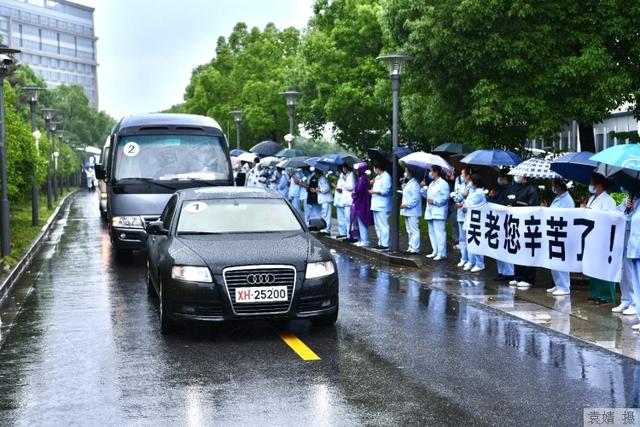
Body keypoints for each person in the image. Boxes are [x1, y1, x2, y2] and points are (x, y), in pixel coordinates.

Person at [580, 173, 617, 304]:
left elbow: (610, 218)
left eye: (592, 183)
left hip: (603, 239)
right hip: (591, 238)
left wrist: (590, 211)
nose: (590, 186)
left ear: (599, 185)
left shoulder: (609, 200)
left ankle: (607, 295)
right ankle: (596, 293)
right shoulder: (591, 199)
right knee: (593, 266)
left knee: (604, 267)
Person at [544, 178, 575, 296]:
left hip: (562, 233)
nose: (552, 187)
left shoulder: (567, 200)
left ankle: (564, 286)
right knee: (554, 260)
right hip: (554, 231)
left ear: (558, 186)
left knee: (561, 260)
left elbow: (565, 216)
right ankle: (558, 284)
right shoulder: (558, 198)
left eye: (553, 184)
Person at [509, 174, 540, 288]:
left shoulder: (532, 189)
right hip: (518, 222)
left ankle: (528, 278)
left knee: (527, 251)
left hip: (528, 224)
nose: (517, 177)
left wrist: (518, 204)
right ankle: (519, 276)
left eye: (520, 175)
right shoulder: (519, 188)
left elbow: (532, 206)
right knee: (518, 249)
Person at [613, 189, 639, 314]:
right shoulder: (626, 200)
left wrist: (632, 210)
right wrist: (626, 209)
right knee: (623, 270)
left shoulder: (637, 201)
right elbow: (617, 214)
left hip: (634, 240)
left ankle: (635, 303)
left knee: (632, 272)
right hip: (624, 239)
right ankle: (626, 300)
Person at [421, 165, 449, 260]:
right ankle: (435, 251)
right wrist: (423, 188)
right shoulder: (432, 183)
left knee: (439, 233)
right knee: (432, 232)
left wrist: (434, 201)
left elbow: (445, 198)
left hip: (439, 211)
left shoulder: (443, 183)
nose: (430, 173)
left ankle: (442, 253)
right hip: (430, 211)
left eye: (431, 171)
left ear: (436, 172)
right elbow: (426, 196)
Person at [492, 171, 516, 281]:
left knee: (507, 245)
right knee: (499, 246)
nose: (499, 179)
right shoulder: (501, 189)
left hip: (507, 220)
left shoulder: (511, 189)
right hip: (499, 220)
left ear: (505, 178)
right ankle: (501, 271)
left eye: (501, 177)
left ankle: (509, 272)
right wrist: (491, 197)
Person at [463, 174, 486, 272]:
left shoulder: (479, 193)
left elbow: (469, 204)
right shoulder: (473, 191)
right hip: (470, 219)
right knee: (470, 242)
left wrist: (464, 205)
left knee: (476, 241)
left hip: (476, 221)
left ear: (475, 182)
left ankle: (480, 263)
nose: (469, 183)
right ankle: (471, 261)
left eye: (470, 181)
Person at [369, 163, 392, 250]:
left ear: (378, 168)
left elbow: (385, 191)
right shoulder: (378, 177)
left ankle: (385, 244)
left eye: (374, 167)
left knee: (383, 225)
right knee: (378, 225)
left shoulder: (386, 177)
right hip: (376, 204)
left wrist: (374, 191)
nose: (374, 170)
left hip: (383, 204)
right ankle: (380, 242)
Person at [400, 166, 422, 254]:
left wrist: (406, 205)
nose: (405, 173)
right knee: (409, 230)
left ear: (410, 172)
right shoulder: (409, 182)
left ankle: (415, 248)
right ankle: (411, 246)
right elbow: (407, 193)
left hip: (412, 211)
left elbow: (415, 198)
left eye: (406, 171)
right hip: (407, 211)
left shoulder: (415, 184)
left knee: (414, 230)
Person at [626, 195, 640, 331]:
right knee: (637, 284)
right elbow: (629, 221)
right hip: (635, 249)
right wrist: (629, 210)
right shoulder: (637, 203)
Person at [351, 162, 374, 247]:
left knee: (362, 221)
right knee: (360, 221)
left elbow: (359, 191)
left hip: (362, 203)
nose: (356, 171)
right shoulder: (363, 178)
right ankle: (362, 239)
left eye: (357, 170)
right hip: (361, 202)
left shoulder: (362, 179)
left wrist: (354, 195)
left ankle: (365, 240)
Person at [454, 167, 473, 268]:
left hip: (468, 215)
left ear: (468, 175)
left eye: (462, 174)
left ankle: (471, 260)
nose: (461, 176)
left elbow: (470, 200)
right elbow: (457, 197)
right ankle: (463, 258)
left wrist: (462, 203)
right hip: (460, 214)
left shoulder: (472, 186)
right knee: (462, 238)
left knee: (468, 238)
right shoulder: (462, 185)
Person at [334, 164, 355, 238]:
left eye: (343, 167)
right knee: (346, 219)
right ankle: (348, 235)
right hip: (345, 200)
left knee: (349, 219)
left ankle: (350, 236)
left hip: (348, 200)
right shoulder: (345, 176)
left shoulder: (350, 175)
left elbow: (350, 187)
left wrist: (343, 184)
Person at [316, 168, 333, 235]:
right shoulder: (321, 178)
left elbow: (327, 188)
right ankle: (324, 228)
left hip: (326, 199)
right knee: (324, 214)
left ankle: (327, 229)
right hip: (323, 200)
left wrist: (320, 190)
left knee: (327, 215)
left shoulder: (323, 178)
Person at [446, 170, 460, 246]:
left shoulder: (457, 179)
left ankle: (457, 241)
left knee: (455, 223)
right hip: (447, 202)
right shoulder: (445, 179)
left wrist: (454, 180)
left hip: (455, 203)